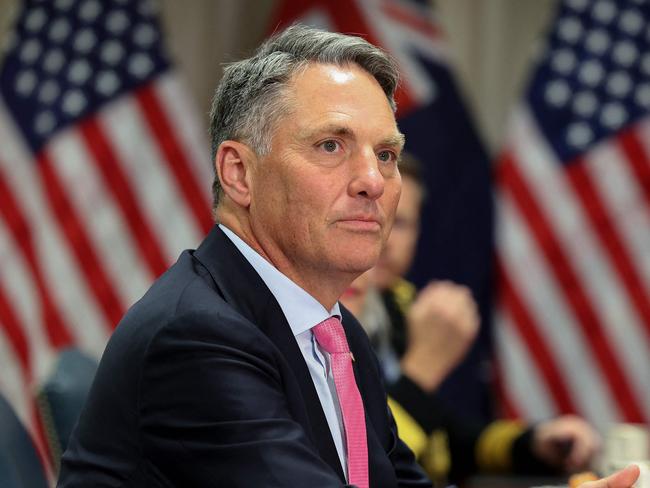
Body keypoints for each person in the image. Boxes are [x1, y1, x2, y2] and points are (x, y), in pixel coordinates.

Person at [57, 24, 637, 488]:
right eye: (331, 146)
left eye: (386, 154)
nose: (373, 181)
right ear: (238, 172)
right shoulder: (198, 336)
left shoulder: (334, 331)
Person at [342, 154, 602, 485]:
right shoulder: (313, 313)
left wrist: (532, 443)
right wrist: (422, 372)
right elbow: (360, 462)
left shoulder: (402, 307)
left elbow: (441, 438)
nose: (384, 236)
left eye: (399, 221)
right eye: (369, 216)